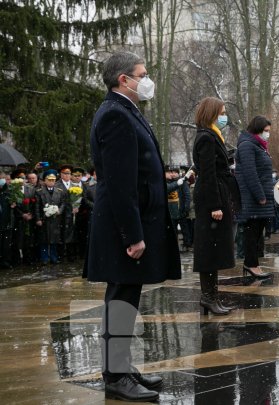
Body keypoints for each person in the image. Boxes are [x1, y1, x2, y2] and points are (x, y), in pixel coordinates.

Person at [85, 50, 180, 402]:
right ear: (123, 79)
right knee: (120, 303)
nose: (146, 78)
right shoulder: (115, 115)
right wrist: (133, 235)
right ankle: (115, 376)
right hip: (121, 230)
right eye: (142, 73)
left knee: (126, 300)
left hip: (128, 226)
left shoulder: (124, 111)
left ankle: (122, 368)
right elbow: (121, 183)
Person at [192, 97, 240, 315]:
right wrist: (215, 205)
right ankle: (208, 297)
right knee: (209, 249)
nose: (224, 117)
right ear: (212, 114)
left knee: (214, 248)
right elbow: (208, 173)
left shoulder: (211, 135)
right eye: (221, 113)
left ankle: (212, 297)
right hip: (211, 196)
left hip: (217, 191)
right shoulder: (207, 138)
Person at [235, 115, 274, 279]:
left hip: (259, 198)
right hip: (254, 199)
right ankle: (251, 265)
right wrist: (260, 195)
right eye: (266, 131)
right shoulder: (247, 146)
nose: (268, 134)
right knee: (252, 233)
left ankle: (253, 264)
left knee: (257, 233)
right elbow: (250, 173)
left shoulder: (257, 145)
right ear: (257, 130)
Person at [35, 170, 66, 265]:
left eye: (53, 180)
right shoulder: (39, 192)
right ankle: (44, 258)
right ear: (45, 180)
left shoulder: (59, 191)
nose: (52, 182)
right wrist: (38, 219)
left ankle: (54, 257)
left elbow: (63, 203)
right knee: (44, 239)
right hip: (44, 219)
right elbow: (36, 207)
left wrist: (59, 211)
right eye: (49, 180)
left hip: (55, 219)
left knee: (54, 239)